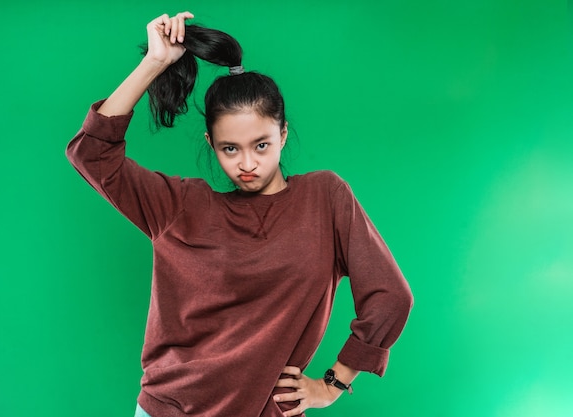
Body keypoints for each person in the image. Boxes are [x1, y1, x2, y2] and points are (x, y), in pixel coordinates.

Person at [66, 11, 413, 417]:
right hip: (170, 408)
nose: (247, 164)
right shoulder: (180, 206)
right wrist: (155, 63)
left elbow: (391, 296)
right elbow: (92, 154)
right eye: (230, 148)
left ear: (282, 134)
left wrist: (332, 384)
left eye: (261, 145)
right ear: (212, 143)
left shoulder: (325, 197)